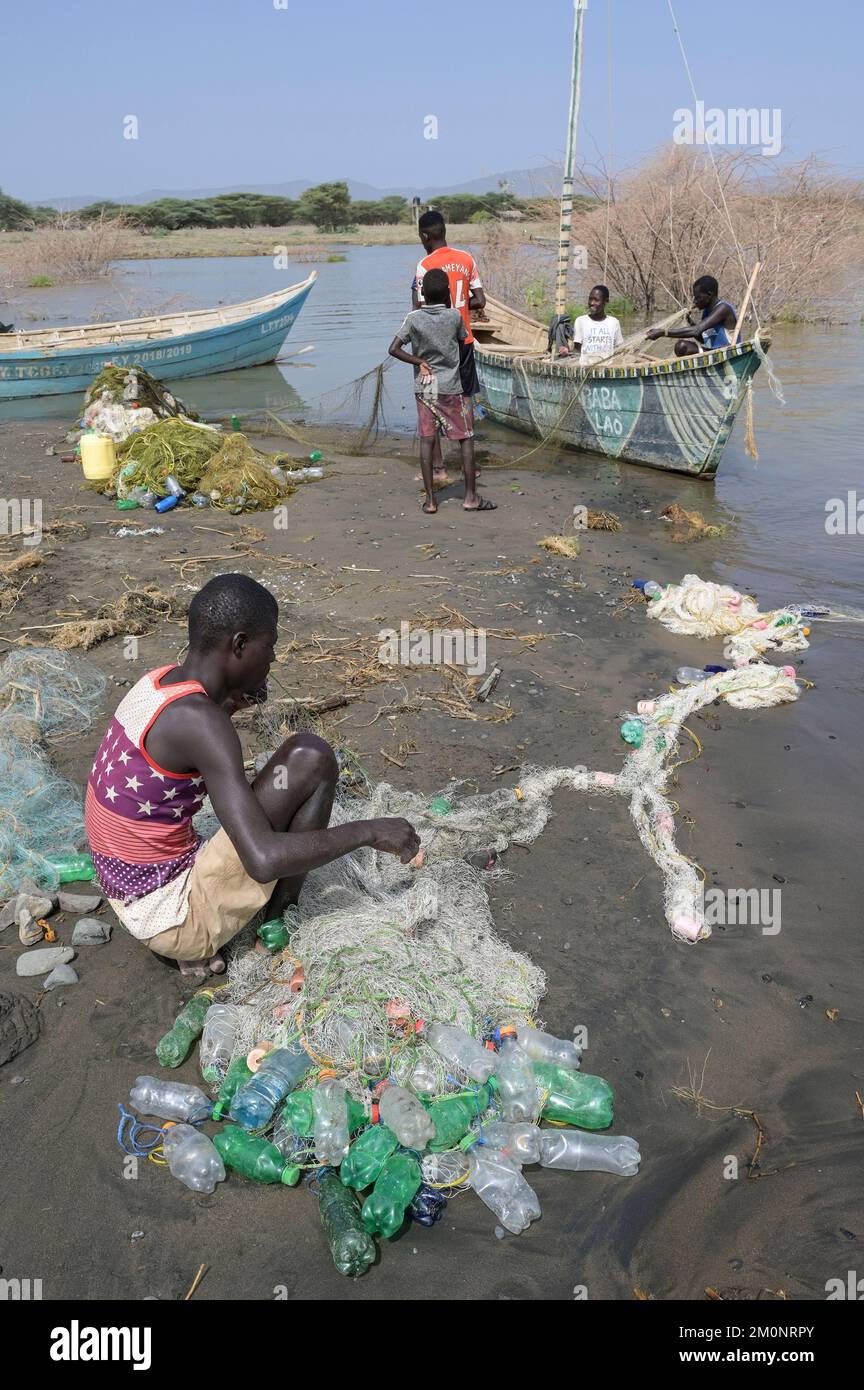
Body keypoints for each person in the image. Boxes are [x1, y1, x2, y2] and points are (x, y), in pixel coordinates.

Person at [84, 573, 419, 978]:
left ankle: (222, 920)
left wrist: (226, 703)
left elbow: (183, 761)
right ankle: (277, 923)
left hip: (130, 893)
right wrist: (370, 831)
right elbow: (262, 860)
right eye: (271, 645)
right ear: (240, 645)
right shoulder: (203, 723)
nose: (274, 659)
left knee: (296, 763)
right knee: (311, 757)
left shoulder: (159, 682)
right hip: (174, 918)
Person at [389, 267, 495, 514]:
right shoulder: (455, 316)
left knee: (427, 439)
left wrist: (420, 362)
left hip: (426, 388)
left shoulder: (413, 318)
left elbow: (393, 349)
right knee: (465, 438)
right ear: (447, 293)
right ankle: (470, 497)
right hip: (451, 387)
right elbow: (462, 342)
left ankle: (430, 501)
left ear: (422, 293)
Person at [412, 210, 486, 484]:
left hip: (434, 347)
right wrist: (461, 305)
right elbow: (480, 300)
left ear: (425, 236)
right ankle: (471, 468)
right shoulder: (467, 259)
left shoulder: (424, 265)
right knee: (464, 400)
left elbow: (418, 308)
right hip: (463, 343)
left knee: (431, 402)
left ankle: (440, 468)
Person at [646, 275, 737, 356]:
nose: (695, 301)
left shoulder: (723, 308)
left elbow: (696, 331)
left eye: (698, 297)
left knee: (681, 346)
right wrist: (690, 322)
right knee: (682, 347)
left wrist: (663, 332)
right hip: (711, 353)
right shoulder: (706, 312)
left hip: (726, 354)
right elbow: (703, 339)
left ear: (709, 295)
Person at [570, 285, 624, 364]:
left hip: (607, 369)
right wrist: (567, 352)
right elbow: (577, 349)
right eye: (590, 299)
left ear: (606, 301)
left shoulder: (613, 322)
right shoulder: (581, 321)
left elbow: (620, 347)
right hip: (586, 368)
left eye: (596, 300)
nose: (592, 303)